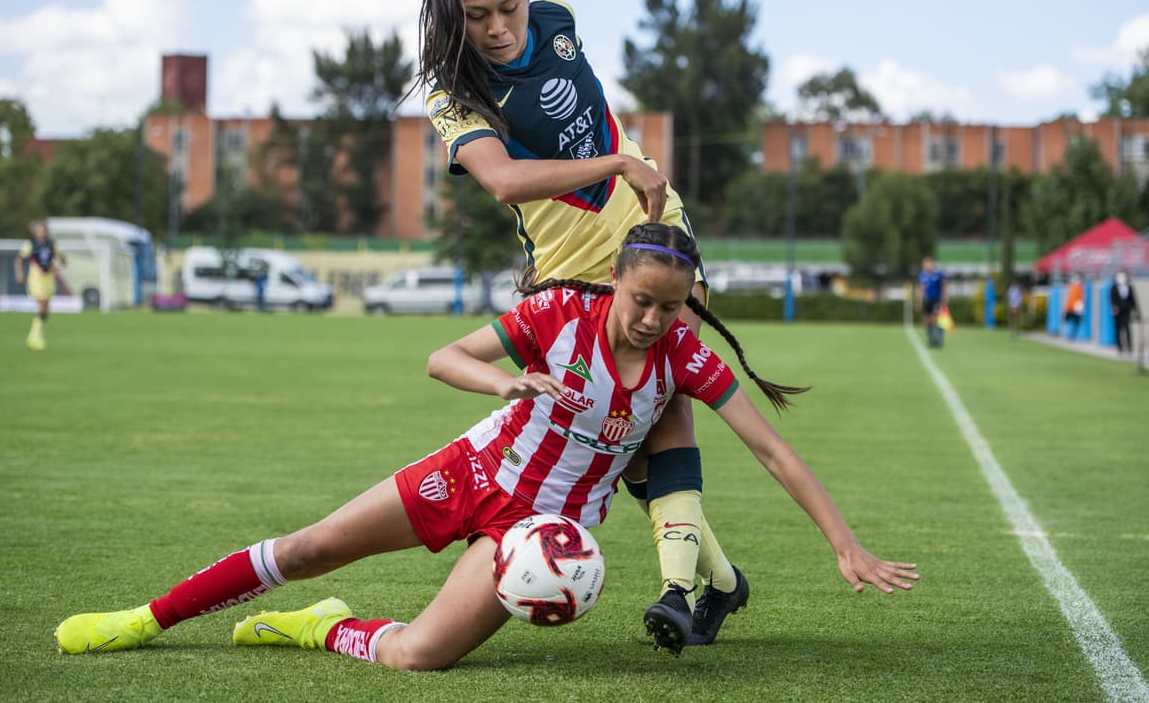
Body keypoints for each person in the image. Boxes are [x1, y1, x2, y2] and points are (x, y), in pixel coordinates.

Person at [54, 223, 919, 668]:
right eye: (642, 299)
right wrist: (504, 381)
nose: (653, 318)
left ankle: (320, 630)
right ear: (615, 278)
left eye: (671, 305)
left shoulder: (682, 358)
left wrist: (846, 545)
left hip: (536, 536)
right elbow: (443, 357)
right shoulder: (556, 316)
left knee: (420, 655)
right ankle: (145, 618)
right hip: (472, 469)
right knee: (311, 543)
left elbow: (772, 450)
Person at [415, 0, 764, 651]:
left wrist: (629, 173)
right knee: (618, 446)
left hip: (651, 238)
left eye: (509, 6)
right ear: (453, 15)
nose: (500, 28)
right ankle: (722, 580)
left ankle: (679, 591)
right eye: (476, 17)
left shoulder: (559, 22)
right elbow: (506, 180)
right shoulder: (453, 93)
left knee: (661, 409)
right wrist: (615, 164)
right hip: (568, 277)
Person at [14, 220, 66, 351]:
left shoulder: (52, 244)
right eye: (40, 229)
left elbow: (63, 259)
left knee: (45, 311)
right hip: (36, 279)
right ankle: (34, 337)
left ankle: (34, 336)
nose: (42, 232)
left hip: (48, 279)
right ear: (36, 231)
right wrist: (19, 274)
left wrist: (58, 265)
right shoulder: (30, 244)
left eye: (44, 229)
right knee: (42, 304)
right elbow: (19, 259)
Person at [916, 257, 947, 347]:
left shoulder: (938, 275)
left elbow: (944, 287)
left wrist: (944, 299)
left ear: (932, 264)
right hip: (927, 301)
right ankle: (930, 339)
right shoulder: (922, 275)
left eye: (928, 263)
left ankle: (937, 340)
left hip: (936, 300)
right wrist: (919, 301)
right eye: (924, 264)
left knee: (935, 319)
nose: (926, 266)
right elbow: (921, 289)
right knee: (926, 321)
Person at [1109, 269, 1140, 355]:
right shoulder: (1114, 287)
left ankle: (1129, 348)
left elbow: (1133, 300)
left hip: (1126, 311)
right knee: (1118, 329)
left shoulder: (1129, 287)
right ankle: (1120, 349)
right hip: (1117, 312)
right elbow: (1112, 299)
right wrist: (1114, 307)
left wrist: (1137, 312)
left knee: (1127, 329)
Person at [1063, 273, 1085, 341]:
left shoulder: (1079, 287)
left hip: (1076, 309)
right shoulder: (1072, 286)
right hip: (1071, 308)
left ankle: (1072, 336)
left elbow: (1080, 298)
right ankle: (1068, 335)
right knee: (1070, 323)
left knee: (1076, 323)